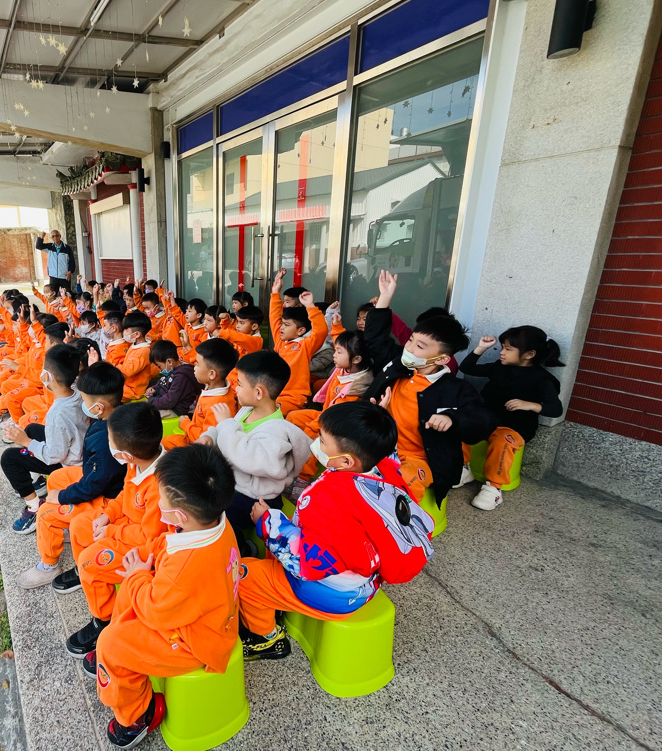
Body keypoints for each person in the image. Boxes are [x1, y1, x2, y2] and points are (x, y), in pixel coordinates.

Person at [239, 402, 433, 660]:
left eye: (322, 440)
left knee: (243, 577)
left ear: (346, 460)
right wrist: (379, 415)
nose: (316, 443)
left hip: (333, 592)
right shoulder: (386, 471)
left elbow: (306, 560)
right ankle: (275, 600)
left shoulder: (330, 499)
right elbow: (390, 454)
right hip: (366, 581)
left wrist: (267, 521)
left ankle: (266, 639)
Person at [91, 444, 241, 749]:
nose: (157, 502)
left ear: (179, 514)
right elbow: (164, 543)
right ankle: (120, 654)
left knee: (110, 644)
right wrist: (142, 562)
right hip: (199, 611)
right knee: (130, 591)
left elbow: (157, 611)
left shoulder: (186, 567)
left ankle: (138, 716)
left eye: (161, 498)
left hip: (196, 642)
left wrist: (137, 575)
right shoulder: (213, 522)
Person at [363, 270, 492, 507]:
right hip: (380, 445)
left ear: (442, 359)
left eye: (420, 346)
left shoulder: (455, 389)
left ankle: (399, 525)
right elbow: (375, 340)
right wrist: (385, 299)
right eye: (410, 340)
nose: (409, 348)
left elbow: (481, 421)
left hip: (421, 460)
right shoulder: (397, 365)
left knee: (397, 484)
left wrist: (452, 419)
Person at [66, 403, 167, 659]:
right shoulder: (138, 463)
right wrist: (107, 515)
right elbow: (125, 494)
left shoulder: (159, 486)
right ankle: (89, 580)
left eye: (110, 440)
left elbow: (148, 537)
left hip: (143, 547)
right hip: (123, 525)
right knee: (79, 526)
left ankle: (105, 619)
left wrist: (112, 531)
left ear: (127, 455)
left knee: (89, 563)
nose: (108, 443)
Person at [17, 362, 128, 590]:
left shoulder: (106, 441)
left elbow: (94, 485)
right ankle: (64, 529)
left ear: (99, 407)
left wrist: (63, 497)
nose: (82, 404)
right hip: (98, 477)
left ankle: (49, 565)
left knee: (46, 513)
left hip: (108, 497)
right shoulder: (116, 416)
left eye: (84, 401)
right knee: (58, 478)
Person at [199, 350, 312, 549]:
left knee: (216, 516)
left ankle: (242, 549)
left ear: (259, 392)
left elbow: (246, 457)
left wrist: (224, 424)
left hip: (254, 496)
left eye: (240, 384)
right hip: (236, 484)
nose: (235, 389)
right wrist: (211, 436)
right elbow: (230, 432)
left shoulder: (276, 432)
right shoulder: (246, 411)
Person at [457, 326, 564, 511]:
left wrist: (530, 405)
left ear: (529, 354)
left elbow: (556, 409)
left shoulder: (542, 379)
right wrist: (481, 348)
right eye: (502, 347)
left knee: (502, 441)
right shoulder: (499, 367)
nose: (502, 352)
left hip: (516, 426)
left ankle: (493, 488)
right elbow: (467, 368)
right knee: (457, 422)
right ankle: (463, 468)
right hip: (486, 418)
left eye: (508, 349)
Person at [0, 344, 91, 533]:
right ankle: (37, 480)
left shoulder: (58, 414)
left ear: (47, 376)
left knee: (9, 458)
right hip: (80, 448)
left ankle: (34, 507)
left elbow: (54, 456)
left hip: (70, 465)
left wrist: (25, 442)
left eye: (43, 369)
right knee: (32, 428)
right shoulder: (77, 389)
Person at [269, 269, 329, 416]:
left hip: (294, 397)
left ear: (301, 330)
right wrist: (275, 292)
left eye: (286, 325)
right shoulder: (280, 341)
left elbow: (321, 331)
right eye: (282, 324)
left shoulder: (305, 345)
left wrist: (310, 306)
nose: (281, 328)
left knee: (272, 416)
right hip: (275, 393)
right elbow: (274, 318)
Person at [163, 338, 239, 449]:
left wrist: (186, 424)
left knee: (163, 445)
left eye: (197, 364)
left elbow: (205, 440)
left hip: (197, 447)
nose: (194, 368)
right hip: (191, 436)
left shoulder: (216, 404)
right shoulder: (214, 388)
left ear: (212, 374)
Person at [145, 339, 202, 418]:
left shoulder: (181, 378)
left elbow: (169, 401)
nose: (159, 370)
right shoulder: (171, 370)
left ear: (169, 362)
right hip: (163, 402)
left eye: (159, 366)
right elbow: (163, 383)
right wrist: (154, 389)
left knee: (147, 416)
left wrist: (152, 400)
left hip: (175, 410)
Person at [118, 311, 156, 401]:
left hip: (133, 390)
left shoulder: (143, 351)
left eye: (127, 330)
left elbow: (129, 371)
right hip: (127, 384)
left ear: (137, 334)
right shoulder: (135, 345)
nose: (124, 332)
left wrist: (115, 366)